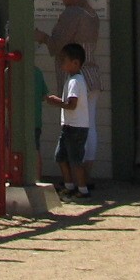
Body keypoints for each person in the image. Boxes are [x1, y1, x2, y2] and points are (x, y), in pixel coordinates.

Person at [36, 0, 101, 168]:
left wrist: (42, 37)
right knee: (89, 127)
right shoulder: (91, 12)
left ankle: (77, 178)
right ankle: (85, 177)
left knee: (73, 130)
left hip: (75, 78)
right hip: (91, 76)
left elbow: (57, 46)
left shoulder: (73, 13)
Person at [46, 42, 93, 200]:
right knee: (61, 156)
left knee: (75, 160)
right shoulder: (74, 80)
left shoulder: (75, 81)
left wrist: (55, 102)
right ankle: (69, 185)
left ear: (75, 62)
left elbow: (71, 105)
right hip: (70, 126)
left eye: (64, 60)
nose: (61, 63)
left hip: (76, 127)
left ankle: (82, 189)